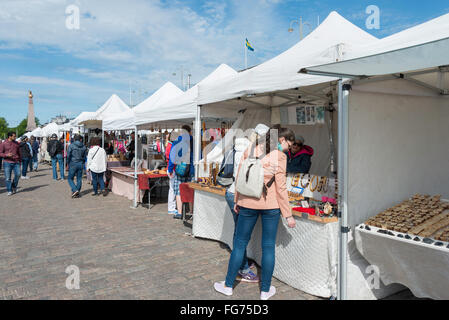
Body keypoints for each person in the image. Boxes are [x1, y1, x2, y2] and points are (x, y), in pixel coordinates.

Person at [214, 127, 297, 300]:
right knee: (268, 247)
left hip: (247, 202)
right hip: (271, 206)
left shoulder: (251, 148)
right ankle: (265, 291)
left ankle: (228, 286)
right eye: (289, 144)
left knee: (239, 244)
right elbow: (281, 187)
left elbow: (240, 177)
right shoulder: (280, 157)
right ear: (281, 139)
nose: (289, 148)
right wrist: (287, 214)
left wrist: (237, 200)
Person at [221, 125, 272, 284]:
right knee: (240, 237)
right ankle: (242, 269)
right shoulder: (254, 151)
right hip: (240, 195)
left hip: (232, 192)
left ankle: (241, 264)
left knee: (239, 235)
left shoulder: (239, 146)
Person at [167, 125, 194, 219]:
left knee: (179, 190)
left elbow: (172, 156)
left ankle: (179, 212)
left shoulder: (177, 140)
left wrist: (170, 169)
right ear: (190, 131)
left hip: (180, 169)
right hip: (192, 169)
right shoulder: (194, 141)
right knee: (191, 189)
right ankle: (191, 211)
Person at [165, 131, 177, 215]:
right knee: (172, 189)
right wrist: (170, 170)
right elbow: (171, 159)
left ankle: (172, 207)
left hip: (171, 169)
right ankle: (171, 208)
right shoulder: (171, 146)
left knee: (172, 189)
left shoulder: (169, 145)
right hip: (172, 169)